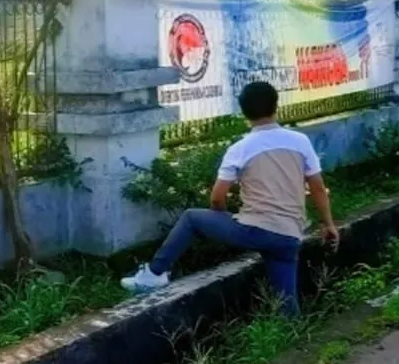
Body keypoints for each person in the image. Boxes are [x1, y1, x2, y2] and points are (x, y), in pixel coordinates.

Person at [121, 82, 340, 316]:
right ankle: (296, 342)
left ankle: (155, 274)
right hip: (289, 235)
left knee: (191, 218)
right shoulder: (300, 141)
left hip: (253, 230)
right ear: (276, 106)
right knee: (286, 305)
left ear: (244, 112)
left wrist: (224, 219)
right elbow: (317, 188)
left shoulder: (241, 148)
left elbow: (217, 198)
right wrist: (328, 224)